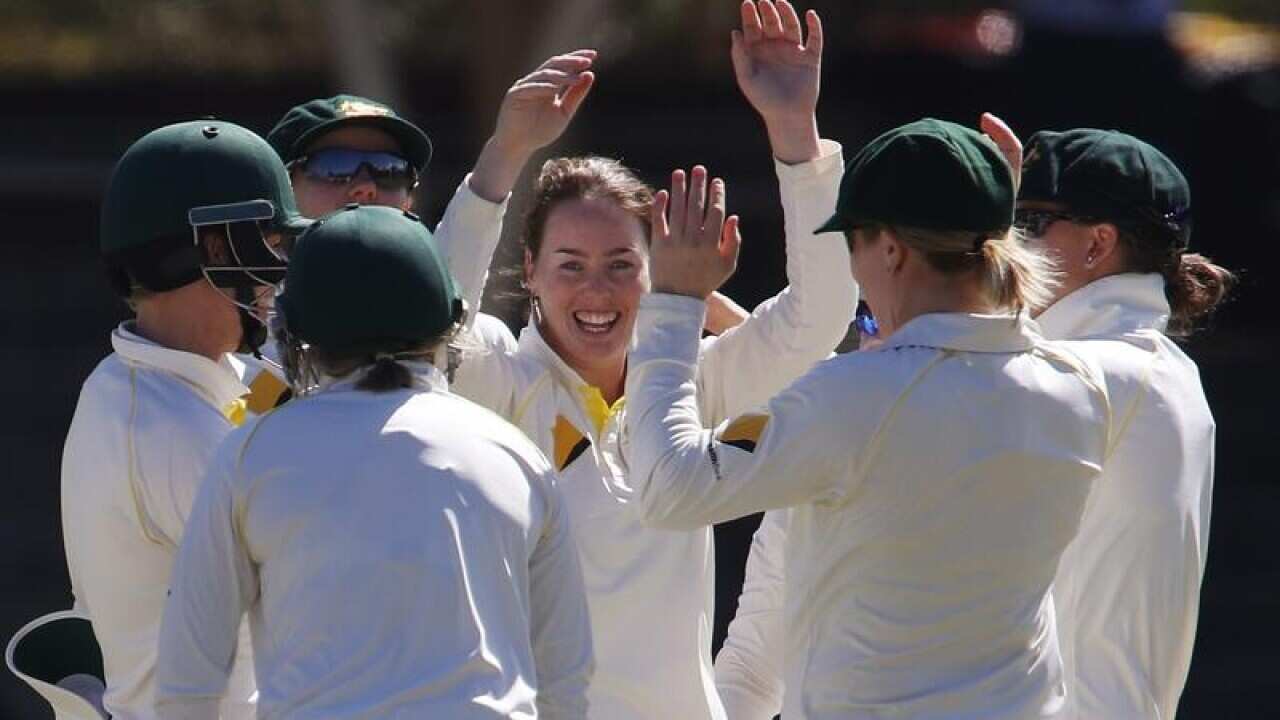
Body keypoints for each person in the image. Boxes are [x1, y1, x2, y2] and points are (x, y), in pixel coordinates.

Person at [441, 2, 856, 716]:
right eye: (569, 265)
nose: (596, 290)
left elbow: (818, 317)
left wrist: (794, 131)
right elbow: (433, 331)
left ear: (655, 271)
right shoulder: (500, 383)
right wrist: (503, 156)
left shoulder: (689, 385)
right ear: (530, 270)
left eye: (620, 265)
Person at [625, 117, 1115, 718]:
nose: (855, 271)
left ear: (889, 248)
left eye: (851, 241)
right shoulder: (1080, 388)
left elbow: (669, 488)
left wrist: (673, 304)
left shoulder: (855, 396)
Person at [155, 205, 593, 719]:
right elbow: (565, 681)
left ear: (297, 331)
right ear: (449, 321)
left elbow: (188, 681)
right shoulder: (518, 456)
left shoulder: (251, 455)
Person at [60, 119, 308, 719]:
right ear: (216, 250)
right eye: (270, 243)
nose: (279, 269)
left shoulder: (169, 382)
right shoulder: (166, 428)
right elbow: (325, 585)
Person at [986, 120, 1231, 719]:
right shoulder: (1145, 369)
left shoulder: (1094, 374)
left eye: (1028, 224)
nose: (1003, 245)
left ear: (1097, 244)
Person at [232, 54, 598, 415]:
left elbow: (440, 296)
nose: (365, 187)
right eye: (335, 167)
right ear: (281, 192)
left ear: (410, 200)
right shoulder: (228, 347)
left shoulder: (482, 344)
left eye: (388, 170)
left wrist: (509, 149)